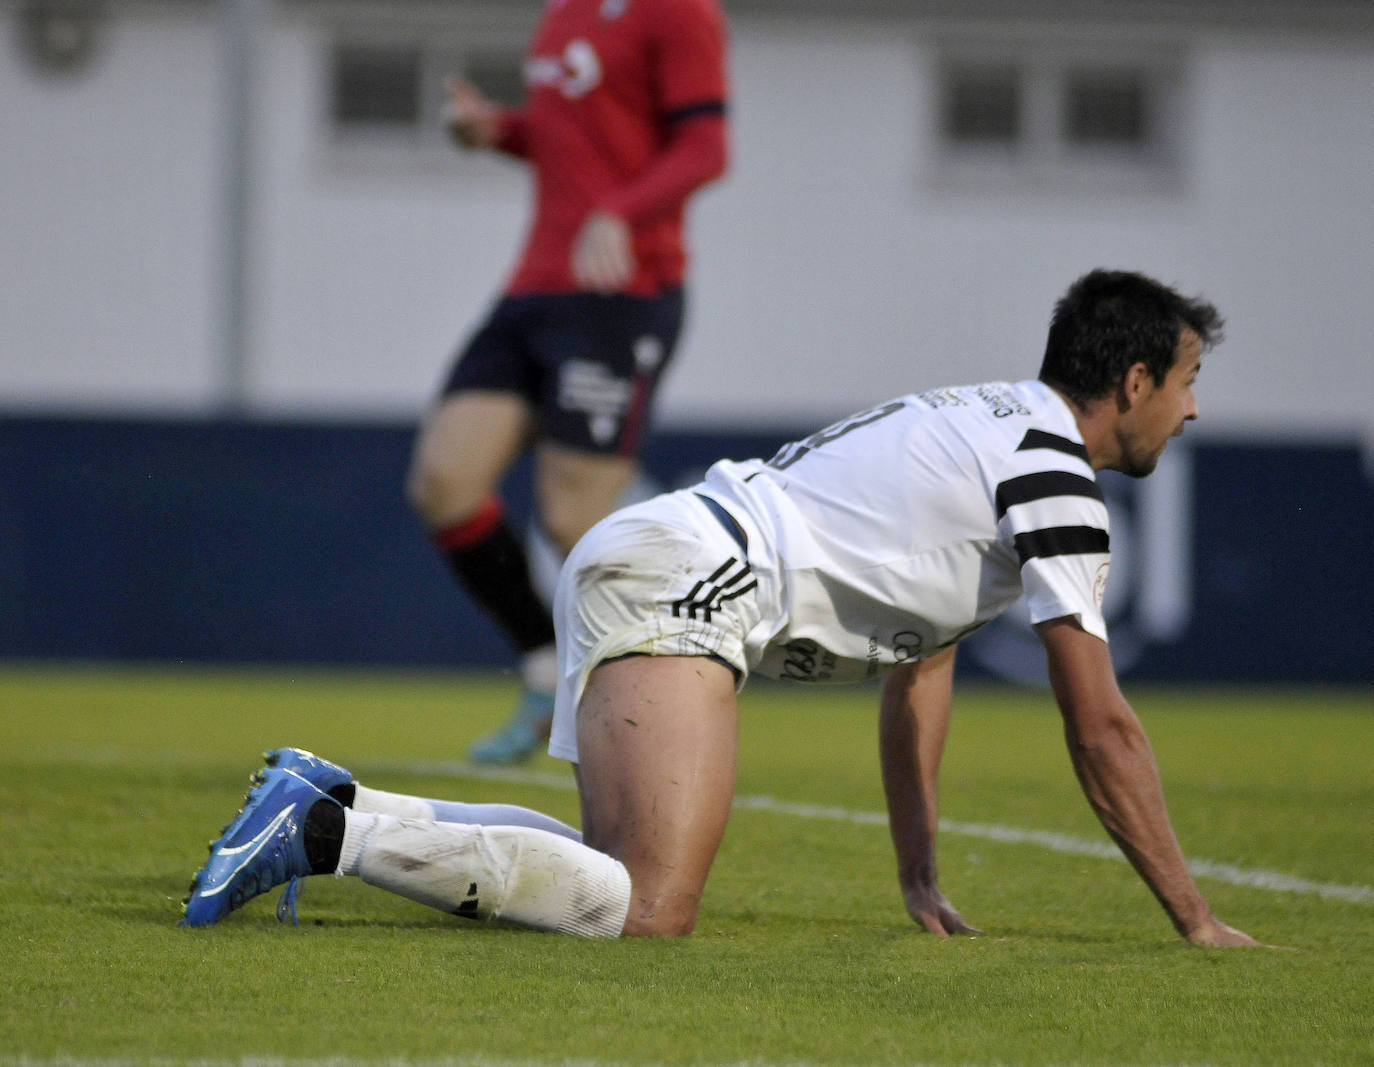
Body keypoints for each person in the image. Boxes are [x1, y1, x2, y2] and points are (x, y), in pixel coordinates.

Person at [182, 269, 1265, 947]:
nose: (1193, 404)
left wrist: (918, 870)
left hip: (665, 551)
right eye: (1186, 377)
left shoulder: (987, 424)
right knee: (650, 906)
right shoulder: (1055, 474)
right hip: (692, 575)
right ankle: (328, 833)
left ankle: (335, 797)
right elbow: (1100, 723)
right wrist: (1194, 914)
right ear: (1131, 382)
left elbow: (922, 666)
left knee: (614, 868)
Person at [411, 0, 731, 765]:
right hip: (536, 286)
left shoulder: (678, 11)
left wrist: (621, 212)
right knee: (443, 481)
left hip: (623, 291)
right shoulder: (564, 12)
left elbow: (706, 148)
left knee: (571, 518)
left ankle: (664, 702)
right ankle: (544, 668)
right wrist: (499, 132)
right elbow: (577, 139)